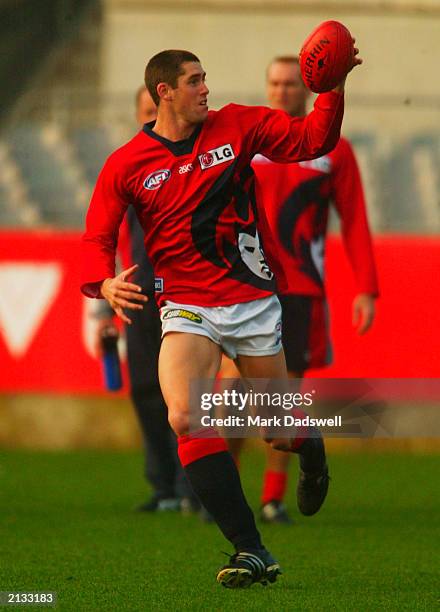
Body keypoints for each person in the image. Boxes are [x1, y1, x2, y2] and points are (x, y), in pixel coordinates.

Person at [81, 47, 361, 588]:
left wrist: (333, 88)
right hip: (186, 305)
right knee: (186, 416)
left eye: (205, 78)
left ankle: (310, 446)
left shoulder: (237, 124)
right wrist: (102, 281)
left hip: (252, 301)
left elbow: (311, 141)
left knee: (276, 431)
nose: (205, 88)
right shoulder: (127, 163)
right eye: (194, 81)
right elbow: (97, 234)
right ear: (164, 91)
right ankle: (252, 550)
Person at [223, 55, 379, 525]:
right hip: (246, 286)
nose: (281, 91)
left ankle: (272, 498)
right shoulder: (247, 143)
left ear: (307, 89)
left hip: (301, 292)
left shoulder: (335, 151)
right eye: (273, 83)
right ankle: (224, 492)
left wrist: (366, 288)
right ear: (266, 87)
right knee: (231, 395)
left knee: (284, 398)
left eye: (290, 83)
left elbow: (354, 219)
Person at [94, 86, 195, 512]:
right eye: (146, 112)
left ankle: (195, 486)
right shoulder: (126, 167)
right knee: (145, 388)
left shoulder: (192, 163)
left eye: (157, 110)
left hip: (188, 290)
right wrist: (103, 304)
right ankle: (165, 486)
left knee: (191, 394)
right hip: (138, 291)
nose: (153, 118)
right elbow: (107, 241)